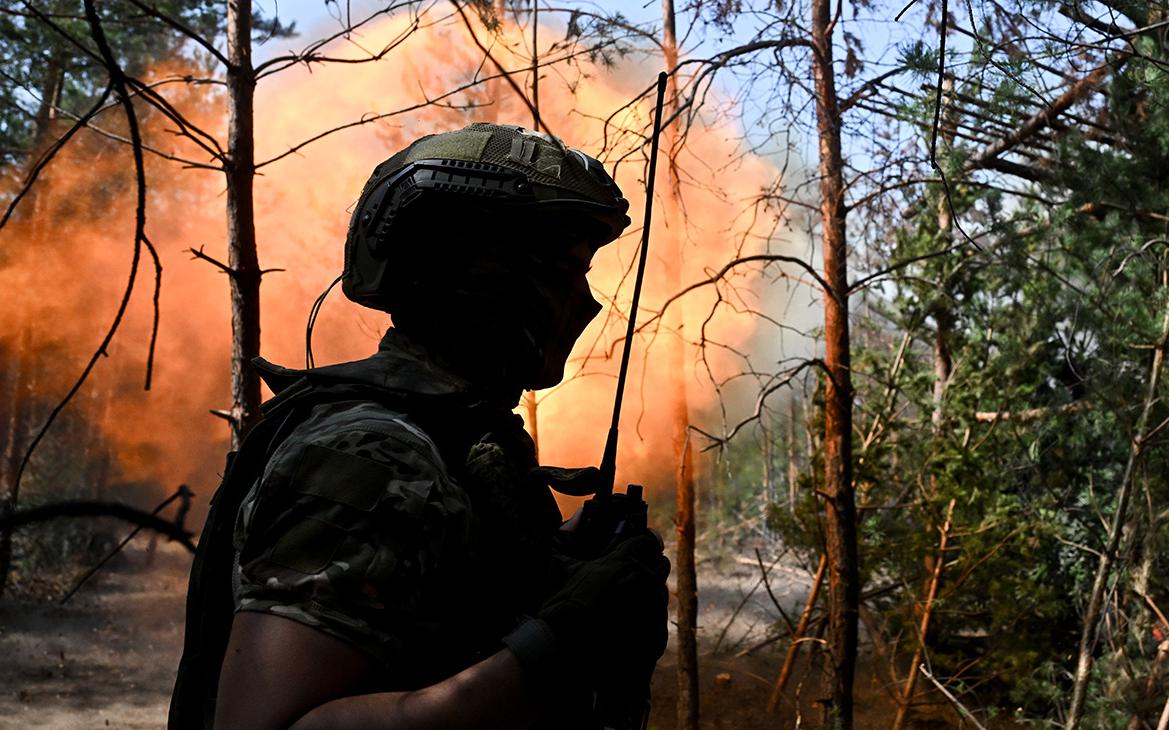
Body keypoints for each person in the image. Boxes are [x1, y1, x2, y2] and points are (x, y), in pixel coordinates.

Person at [169, 123, 671, 730]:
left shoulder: (453, 438)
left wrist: (558, 567)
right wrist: (558, 643)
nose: (585, 301)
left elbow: (438, 619)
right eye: (566, 269)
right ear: (483, 273)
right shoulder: (372, 456)